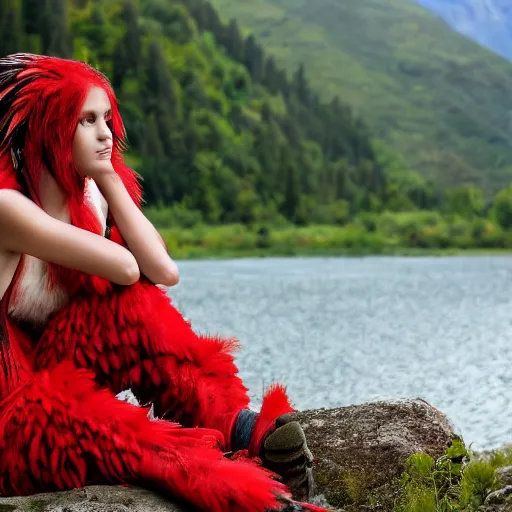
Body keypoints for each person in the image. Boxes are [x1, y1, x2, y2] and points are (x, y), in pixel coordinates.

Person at [0, 53, 326, 511]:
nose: (104, 134)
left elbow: (162, 271)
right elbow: (126, 267)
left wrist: (110, 176)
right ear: (50, 127)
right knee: (109, 429)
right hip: (11, 410)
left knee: (133, 308)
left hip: (51, 367)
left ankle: (238, 426)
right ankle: (236, 489)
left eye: (107, 119)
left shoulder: (90, 194)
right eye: (86, 120)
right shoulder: (6, 207)